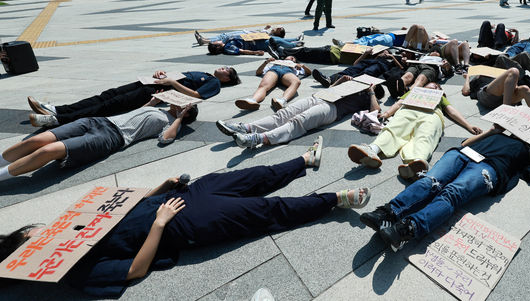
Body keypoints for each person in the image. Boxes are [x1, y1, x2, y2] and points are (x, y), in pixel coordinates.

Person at [0, 146, 369, 296]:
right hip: (182, 222)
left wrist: (160, 187)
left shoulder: (73, 225)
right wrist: (160, 223)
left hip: (174, 198)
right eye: (38, 238)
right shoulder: (75, 271)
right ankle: (333, 201)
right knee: (265, 212)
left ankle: (303, 162)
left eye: (40, 229)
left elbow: (123, 203)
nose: (48, 232)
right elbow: (133, 270)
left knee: (251, 177)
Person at [359, 125, 530, 251]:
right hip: (463, 154)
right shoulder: (503, 134)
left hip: (490, 168)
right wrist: (492, 131)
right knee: (429, 181)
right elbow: (466, 142)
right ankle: (386, 213)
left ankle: (407, 229)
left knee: (453, 193)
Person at [0, 101, 198, 182]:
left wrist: (180, 117)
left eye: (187, 105)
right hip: (99, 121)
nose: (180, 102)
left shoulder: (174, 123)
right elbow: (135, 112)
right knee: (38, 140)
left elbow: (165, 139)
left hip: (112, 137)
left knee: (48, 151)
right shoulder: (160, 108)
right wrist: (154, 102)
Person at [348, 83, 482, 180]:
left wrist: (469, 126)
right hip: (409, 110)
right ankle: (373, 150)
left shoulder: (440, 97)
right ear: (424, 87)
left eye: (437, 87)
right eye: (432, 85)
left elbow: (451, 111)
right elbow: (399, 103)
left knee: (426, 135)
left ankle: (417, 163)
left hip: (432, 114)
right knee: (394, 129)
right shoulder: (415, 91)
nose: (435, 87)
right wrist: (388, 113)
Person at [27, 68, 239, 128]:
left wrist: (171, 84)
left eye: (226, 70)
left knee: (110, 105)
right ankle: (57, 109)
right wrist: (162, 74)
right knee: (106, 95)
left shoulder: (215, 84)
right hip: (152, 83)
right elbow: (179, 78)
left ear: (228, 78)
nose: (222, 68)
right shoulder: (205, 73)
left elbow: (196, 95)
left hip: (156, 93)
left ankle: (57, 120)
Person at [217, 83, 381, 149]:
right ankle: (245, 128)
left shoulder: (368, 97)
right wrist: (340, 82)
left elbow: (376, 112)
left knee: (298, 122)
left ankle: (258, 138)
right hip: (318, 98)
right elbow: (329, 90)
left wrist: (371, 91)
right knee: (282, 114)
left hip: (332, 109)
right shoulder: (354, 84)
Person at [235, 57, 311, 112]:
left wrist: (302, 66)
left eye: (293, 58)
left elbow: (308, 73)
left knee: (296, 82)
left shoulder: (295, 66)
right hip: (274, 71)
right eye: (290, 57)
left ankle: (282, 101)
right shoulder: (276, 62)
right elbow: (258, 72)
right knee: (263, 86)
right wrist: (266, 62)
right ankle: (253, 101)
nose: (291, 58)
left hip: (287, 73)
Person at [462, 66, 530, 110]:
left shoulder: (501, 75)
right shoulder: (479, 76)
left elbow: (514, 88)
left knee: (525, 88)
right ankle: (506, 111)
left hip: (504, 98)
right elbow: (465, 91)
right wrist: (468, 77)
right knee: (514, 71)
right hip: (487, 96)